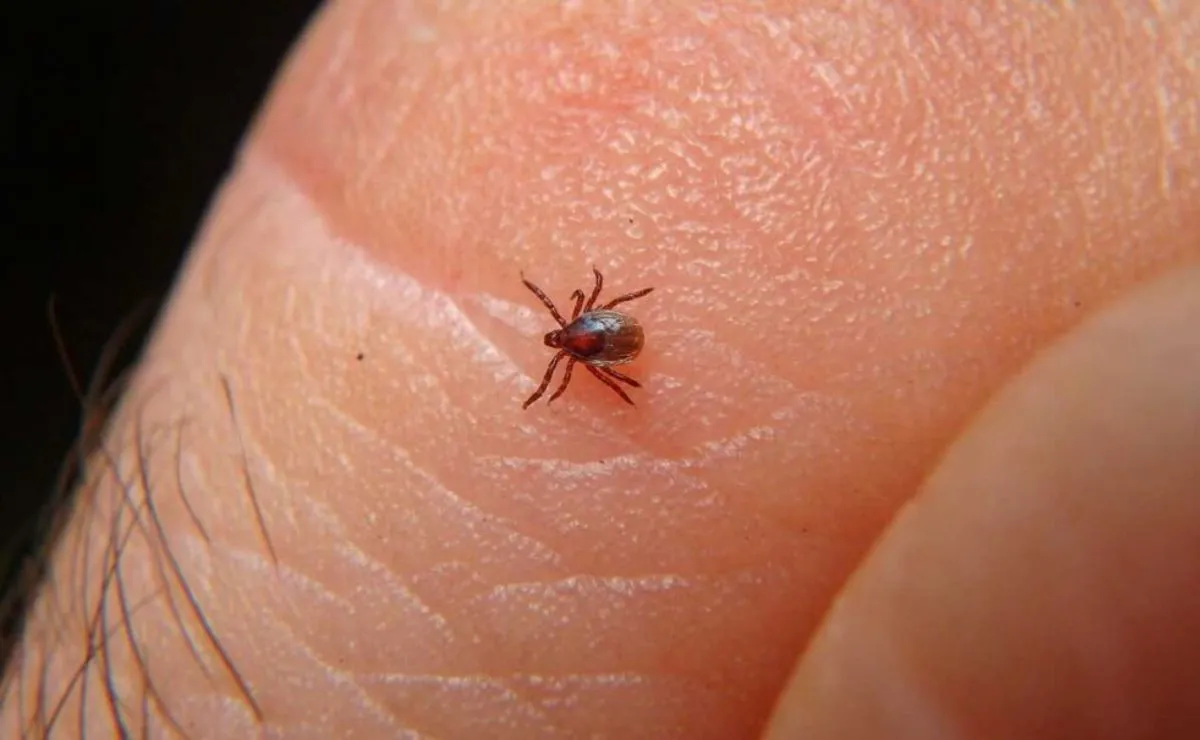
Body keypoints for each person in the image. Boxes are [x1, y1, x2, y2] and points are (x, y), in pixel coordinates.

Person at [4, 2, 1199, 737]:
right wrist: (599, 341)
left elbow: (594, 318)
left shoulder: (582, 342)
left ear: (572, 335)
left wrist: (588, 357)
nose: (566, 344)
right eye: (568, 346)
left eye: (565, 340)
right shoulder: (589, 332)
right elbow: (597, 311)